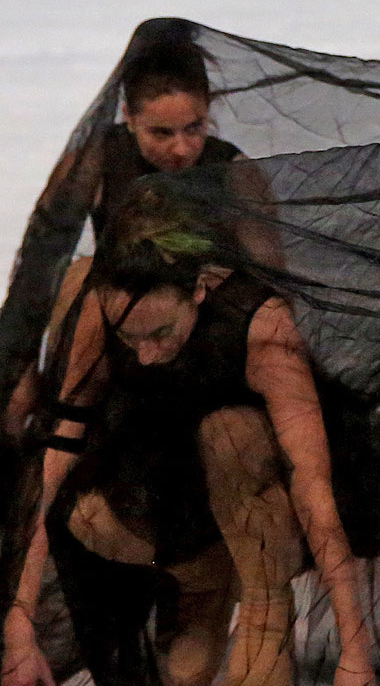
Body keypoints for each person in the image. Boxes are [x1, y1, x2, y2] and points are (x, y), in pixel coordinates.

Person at [0, 192, 380, 686]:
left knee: (230, 431)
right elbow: (56, 455)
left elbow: (314, 489)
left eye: (161, 334)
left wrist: (355, 651)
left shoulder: (262, 329)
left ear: (201, 289)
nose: (145, 356)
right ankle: (204, 579)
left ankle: (263, 595)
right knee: (89, 519)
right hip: (164, 477)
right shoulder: (104, 304)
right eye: (129, 338)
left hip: (259, 490)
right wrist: (20, 615)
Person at [3, 29, 274, 439]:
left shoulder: (233, 173)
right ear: (128, 116)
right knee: (80, 275)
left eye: (194, 128)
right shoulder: (95, 162)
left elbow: (270, 283)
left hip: (202, 345)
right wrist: (18, 367)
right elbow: (37, 274)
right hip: (114, 343)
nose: (182, 149)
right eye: (161, 133)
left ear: (210, 111)